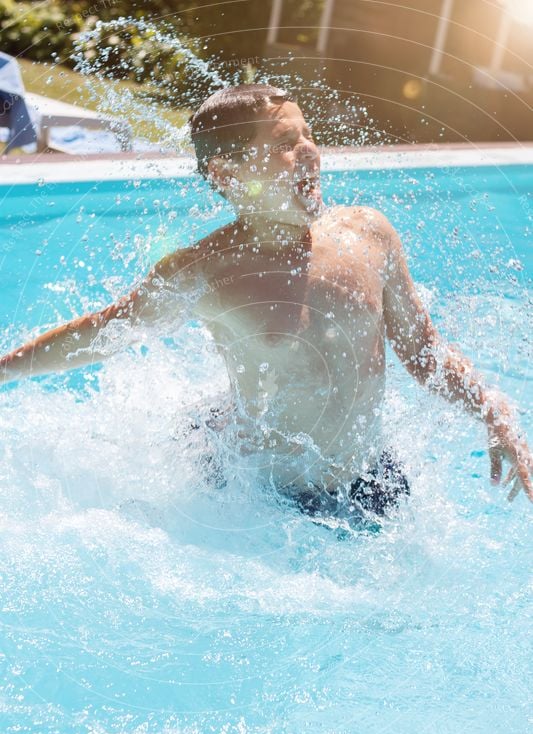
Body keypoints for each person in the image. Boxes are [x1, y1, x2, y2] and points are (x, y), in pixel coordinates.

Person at [1, 84, 531, 521]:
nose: (310, 151)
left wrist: (492, 411)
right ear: (230, 175)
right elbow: (105, 332)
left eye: (308, 133)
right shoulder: (207, 272)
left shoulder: (368, 234)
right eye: (285, 142)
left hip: (370, 476)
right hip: (267, 500)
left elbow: (422, 349)